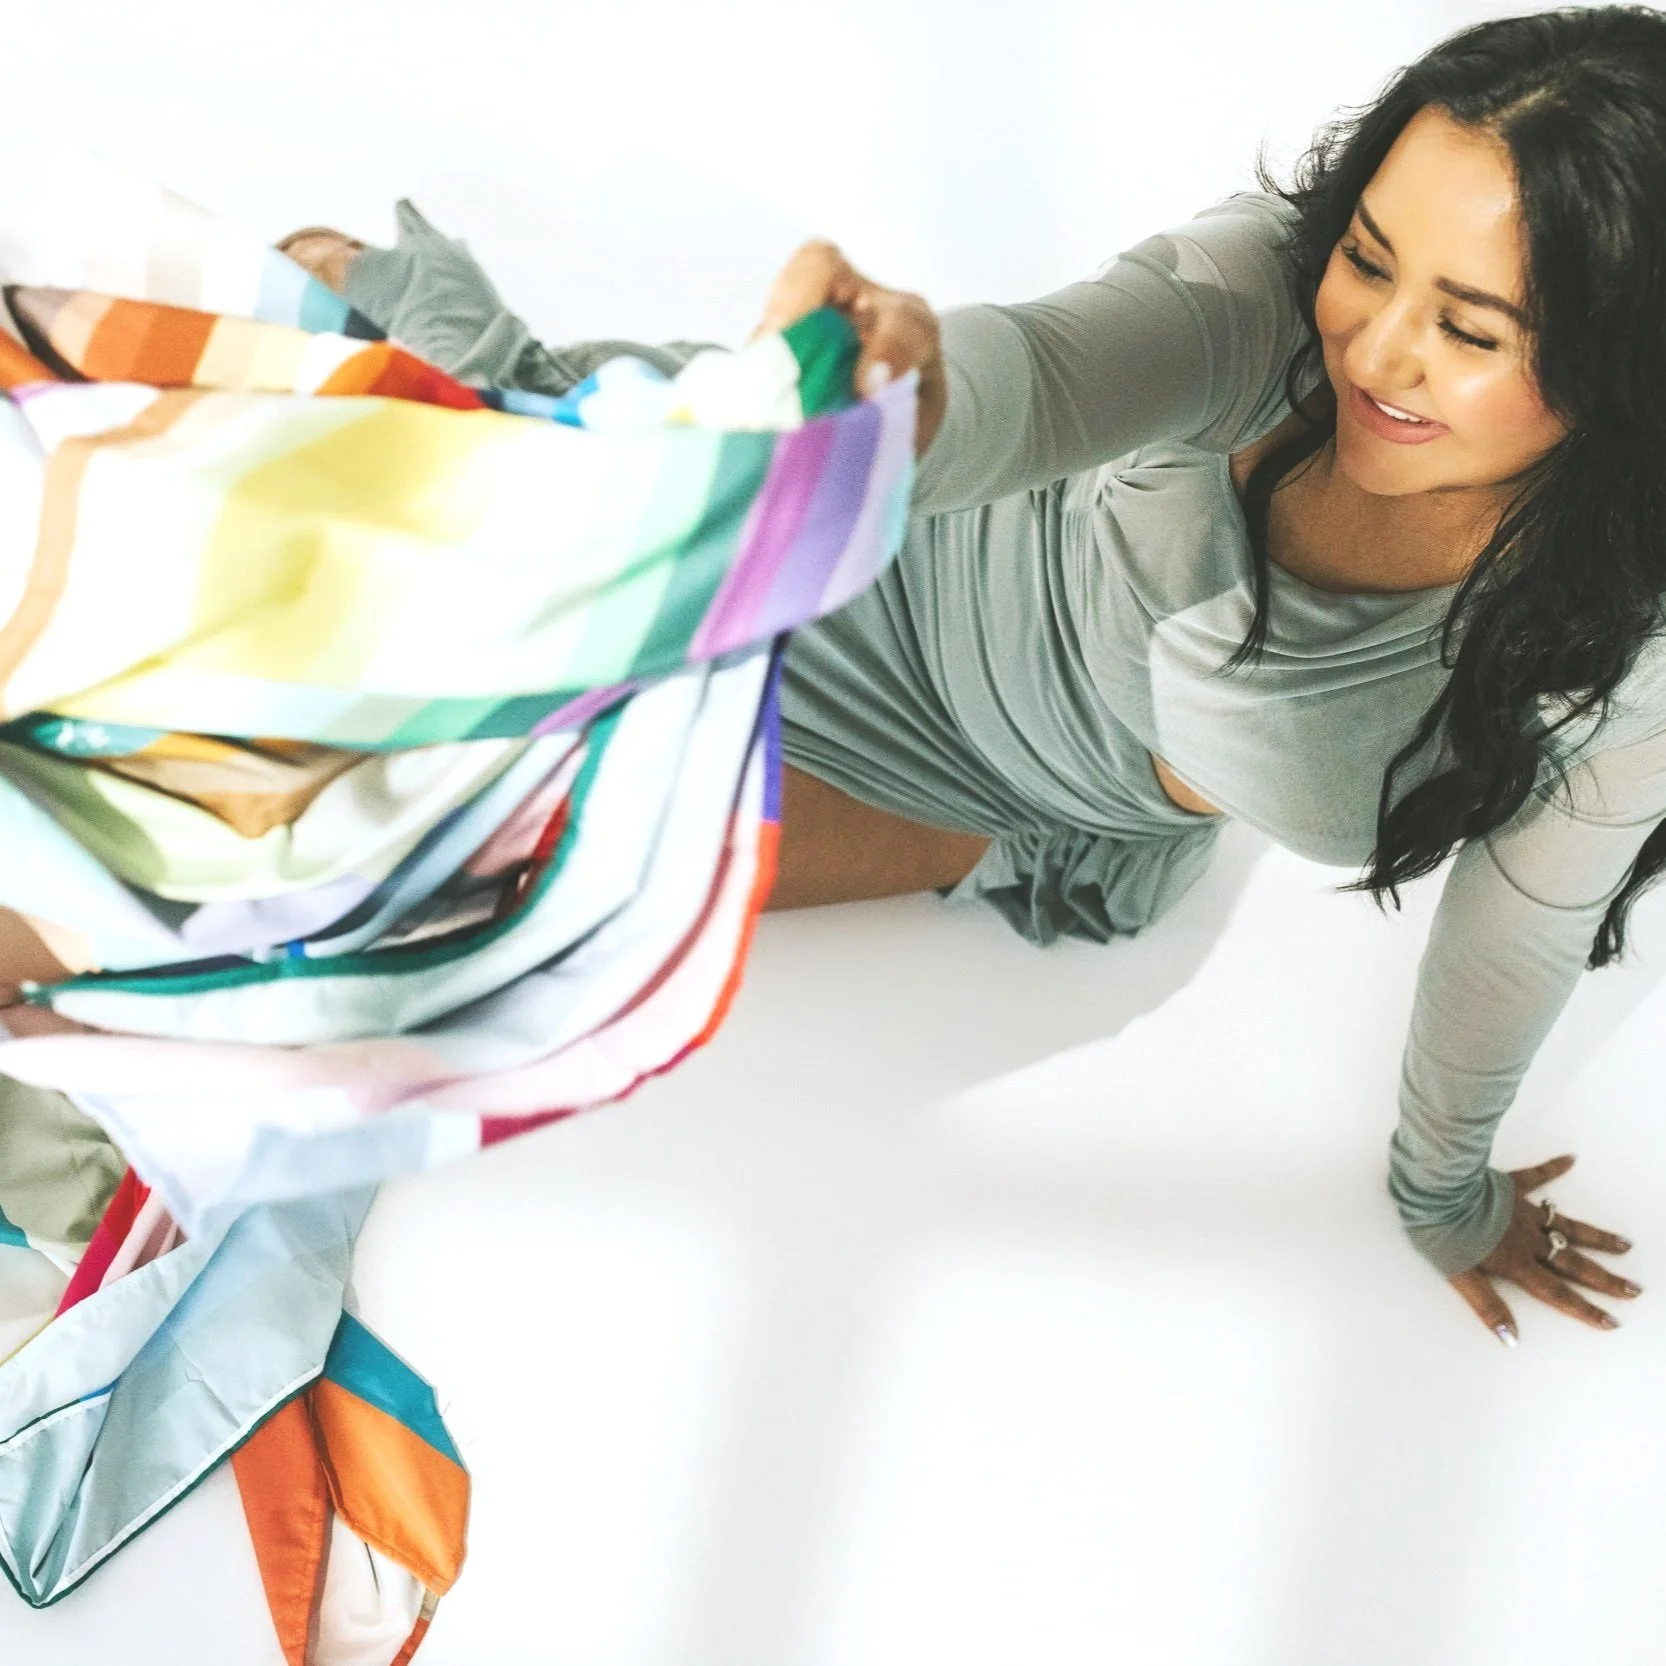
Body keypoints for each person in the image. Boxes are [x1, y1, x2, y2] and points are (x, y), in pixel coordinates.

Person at [289, 5, 1666, 1345]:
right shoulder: (1260, 298)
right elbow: (1047, 373)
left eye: (1471, 330)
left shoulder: (1621, 648)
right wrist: (896, 395)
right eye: (1367, 258)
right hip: (866, 528)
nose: (1372, 349)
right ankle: (512, 395)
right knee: (352, 553)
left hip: (981, 785)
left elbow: (1521, 926)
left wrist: (1441, 1190)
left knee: (456, 855)